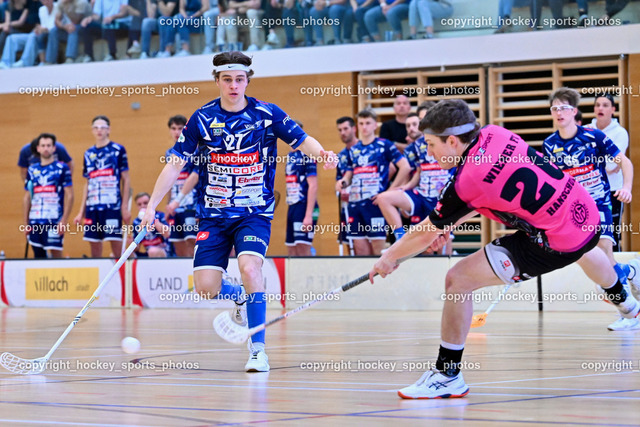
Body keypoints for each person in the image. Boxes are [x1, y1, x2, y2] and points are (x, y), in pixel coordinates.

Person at [369, 99, 640, 399]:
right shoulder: (495, 133)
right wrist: (448, 223)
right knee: (585, 247)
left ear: (452, 141)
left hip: (555, 240)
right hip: (584, 210)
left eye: (431, 144)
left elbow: (427, 230)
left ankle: (447, 375)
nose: (429, 153)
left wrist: (389, 257)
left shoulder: (465, 182)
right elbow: (481, 195)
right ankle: (628, 304)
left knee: (458, 280)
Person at [140, 51, 337, 372]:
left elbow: (302, 140)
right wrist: (151, 206)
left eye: (240, 79)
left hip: (253, 212)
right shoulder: (201, 118)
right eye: (227, 79)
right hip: (214, 215)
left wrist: (323, 153)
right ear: (217, 81)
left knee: (250, 269)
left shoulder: (267, 114)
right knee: (206, 287)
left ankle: (258, 349)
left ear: (248, 81)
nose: (234, 85)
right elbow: (175, 164)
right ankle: (240, 297)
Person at [543, 87, 636, 331]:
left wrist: (626, 187)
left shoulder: (594, 136)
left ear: (574, 111)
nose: (559, 112)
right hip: (575, 209)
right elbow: (553, 181)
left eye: (564, 108)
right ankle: (632, 271)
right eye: (555, 108)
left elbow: (624, 162)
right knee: (601, 265)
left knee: (603, 252)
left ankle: (629, 313)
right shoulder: (549, 145)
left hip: (600, 203)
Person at [335, 109, 410, 256]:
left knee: (378, 250)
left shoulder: (384, 145)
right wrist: (343, 181)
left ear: (375, 125)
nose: (364, 127)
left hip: (374, 204)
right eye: (361, 123)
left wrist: (389, 192)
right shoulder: (354, 149)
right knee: (360, 251)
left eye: (368, 123)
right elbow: (350, 172)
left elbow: (405, 167)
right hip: (355, 204)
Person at [374, 112, 452, 245]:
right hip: (422, 195)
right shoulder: (412, 148)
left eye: (415, 124)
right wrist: (405, 187)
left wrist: (448, 188)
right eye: (408, 125)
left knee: (442, 245)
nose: (411, 128)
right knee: (383, 198)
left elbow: (457, 168)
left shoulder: (444, 140)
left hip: (441, 196)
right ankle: (400, 238)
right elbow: (417, 172)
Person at [73, 115, 131, 257]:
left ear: (108, 129)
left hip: (112, 206)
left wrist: (124, 207)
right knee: (94, 244)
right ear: (92, 130)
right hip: (92, 207)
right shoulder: (88, 153)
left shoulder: (118, 150)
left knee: (115, 242)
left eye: (102, 127)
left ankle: (121, 270)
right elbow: (87, 182)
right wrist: (81, 212)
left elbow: (126, 179)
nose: (99, 130)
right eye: (96, 127)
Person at [587, 93, 628, 252]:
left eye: (605, 105)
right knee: (589, 233)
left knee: (612, 233)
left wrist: (593, 162)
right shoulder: (586, 130)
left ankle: (614, 265)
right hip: (589, 190)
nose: (600, 108)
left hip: (613, 190)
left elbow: (612, 164)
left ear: (613, 109)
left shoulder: (620, 133)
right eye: (598, 105)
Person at [23, 133, 73, 258]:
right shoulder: (32, 170)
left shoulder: (62, 168)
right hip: (35, 220)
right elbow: (27, 197)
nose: (46, 148)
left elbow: (70, 195)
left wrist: (64, 221)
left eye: (49, 145)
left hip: (54, 219)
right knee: (38, 255)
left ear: (54, 148)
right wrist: (26, 223)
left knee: (56, 253)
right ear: (38, 148)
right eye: (43, 145)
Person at [163, 115, 199, 257]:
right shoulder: (169, 153)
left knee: (192, 241)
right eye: (173, 128)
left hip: (191, 204)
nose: (177, 132)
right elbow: (168, 180)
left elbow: (195, 176)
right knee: (178, 245)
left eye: (180, 128)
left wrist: (177, 201)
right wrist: (169, 205)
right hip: (174, 207)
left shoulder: (195, 150)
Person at [285, 120, 318, 256]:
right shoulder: (290, 156)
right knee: (291, 249)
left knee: (303, 247)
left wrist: (308, 215)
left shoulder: (307, 155)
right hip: (292, 206)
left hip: (304, 206)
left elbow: (313, 185)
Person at [335, 116, 357, 253]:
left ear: (354, 129)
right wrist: (339, 189)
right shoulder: (341, 156)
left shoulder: (365, 149)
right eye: (340, 130)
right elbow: (338, 181)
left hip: (365, 204)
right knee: (349, 243)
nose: (343, 132)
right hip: (347, 206)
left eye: (345, 129)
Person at [133, 192, 171, 257]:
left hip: (164, 251)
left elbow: (167, 234)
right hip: (148, 252)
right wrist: (131, 242)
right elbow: (137, 248)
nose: (142, 206)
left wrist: (152, 219)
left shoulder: (160, 215)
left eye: (145, 203)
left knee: (152, 251)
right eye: (139, 204)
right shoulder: (136, 222)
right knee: (125, 254)